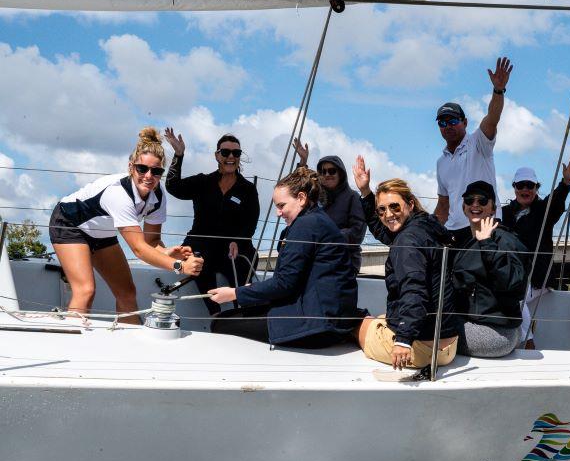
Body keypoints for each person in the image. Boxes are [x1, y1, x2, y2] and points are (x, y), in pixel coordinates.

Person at [49, 127, 204, 323]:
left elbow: (152, 241)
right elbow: (139, 249)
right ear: (131, 167)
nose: (149, 176)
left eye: (156, 171)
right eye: (142, 169)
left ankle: (129, 349)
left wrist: (168, 253)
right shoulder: (118, 194)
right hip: (69, 224)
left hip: (101, 232)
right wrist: (179, 266)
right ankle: (70, 342)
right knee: (86, 290)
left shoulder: (158, 196)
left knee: (127, 293)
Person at [208, 167, 358, 348]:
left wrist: (234, 293)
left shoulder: (306, 225)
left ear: (301, 198)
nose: (278, 213)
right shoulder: (317, 219)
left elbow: (284, 283)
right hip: (328, 318)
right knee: (240, 314)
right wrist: (253, 290)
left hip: (318, 325)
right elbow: (293, 280)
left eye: (281, 206)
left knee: (219, 322)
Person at [352, 156, 460, 370]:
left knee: (352, 322)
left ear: (410, 204)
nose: (388, 214)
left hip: (423, 349)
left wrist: (403, 340)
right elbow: (386, 230)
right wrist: (366, 193)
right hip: (447, 343)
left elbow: (414, 289)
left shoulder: (407, 242)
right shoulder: (424, 227)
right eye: (381, 210)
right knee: (380, 317)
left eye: (394, 207)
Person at [164, 129, 260, 315]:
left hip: (233, 245)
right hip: (202, 243)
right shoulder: (203, 182)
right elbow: (173, 187)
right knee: (198, 262)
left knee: (244, 265)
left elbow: (251, 221)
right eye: (225, 152)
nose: (231, 156)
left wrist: (238, 241)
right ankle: (216, 314)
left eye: (236, 153)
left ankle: (244, 315)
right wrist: (178, 155)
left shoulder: (247, 189)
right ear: (217, 155)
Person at [434, 57, 513, 249]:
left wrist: (498, 91)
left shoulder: (478, 142)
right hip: (454, 232)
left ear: (465, 123)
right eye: (442, 123)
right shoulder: (440, 162)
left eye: (453, 121)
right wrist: (426, 230)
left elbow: (492, 118)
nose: (448, 126)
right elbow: (443, 205)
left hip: (485, 226)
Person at [451, 181, 528, 357]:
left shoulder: (504, 240)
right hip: (487, 326)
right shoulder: (465, 240)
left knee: (427, 327)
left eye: (482, 200)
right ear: (464, 207)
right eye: (470, 201)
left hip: (495, 333)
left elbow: (513, 285)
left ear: (493, 208)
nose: (475, 205)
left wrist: (487, 244)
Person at [501, 155, 570, 288]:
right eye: (521, 185)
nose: (525, 189)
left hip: (538, 283)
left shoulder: (544, 211)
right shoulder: (503, 213)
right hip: (509, 281)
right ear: (514, 188)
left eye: (530, 185)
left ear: (536, 188)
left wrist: (566, 183)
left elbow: (556, 200)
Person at [292, 138, 366, 276]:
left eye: (332, 171)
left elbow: (357, 232)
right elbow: (296, 190)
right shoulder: (315, 197)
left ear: (340, 174)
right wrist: (302, 162)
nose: (327, 175)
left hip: (344, 261)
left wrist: (329, 237)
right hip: (316, 259)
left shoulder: (352, 197)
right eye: (323, 171)